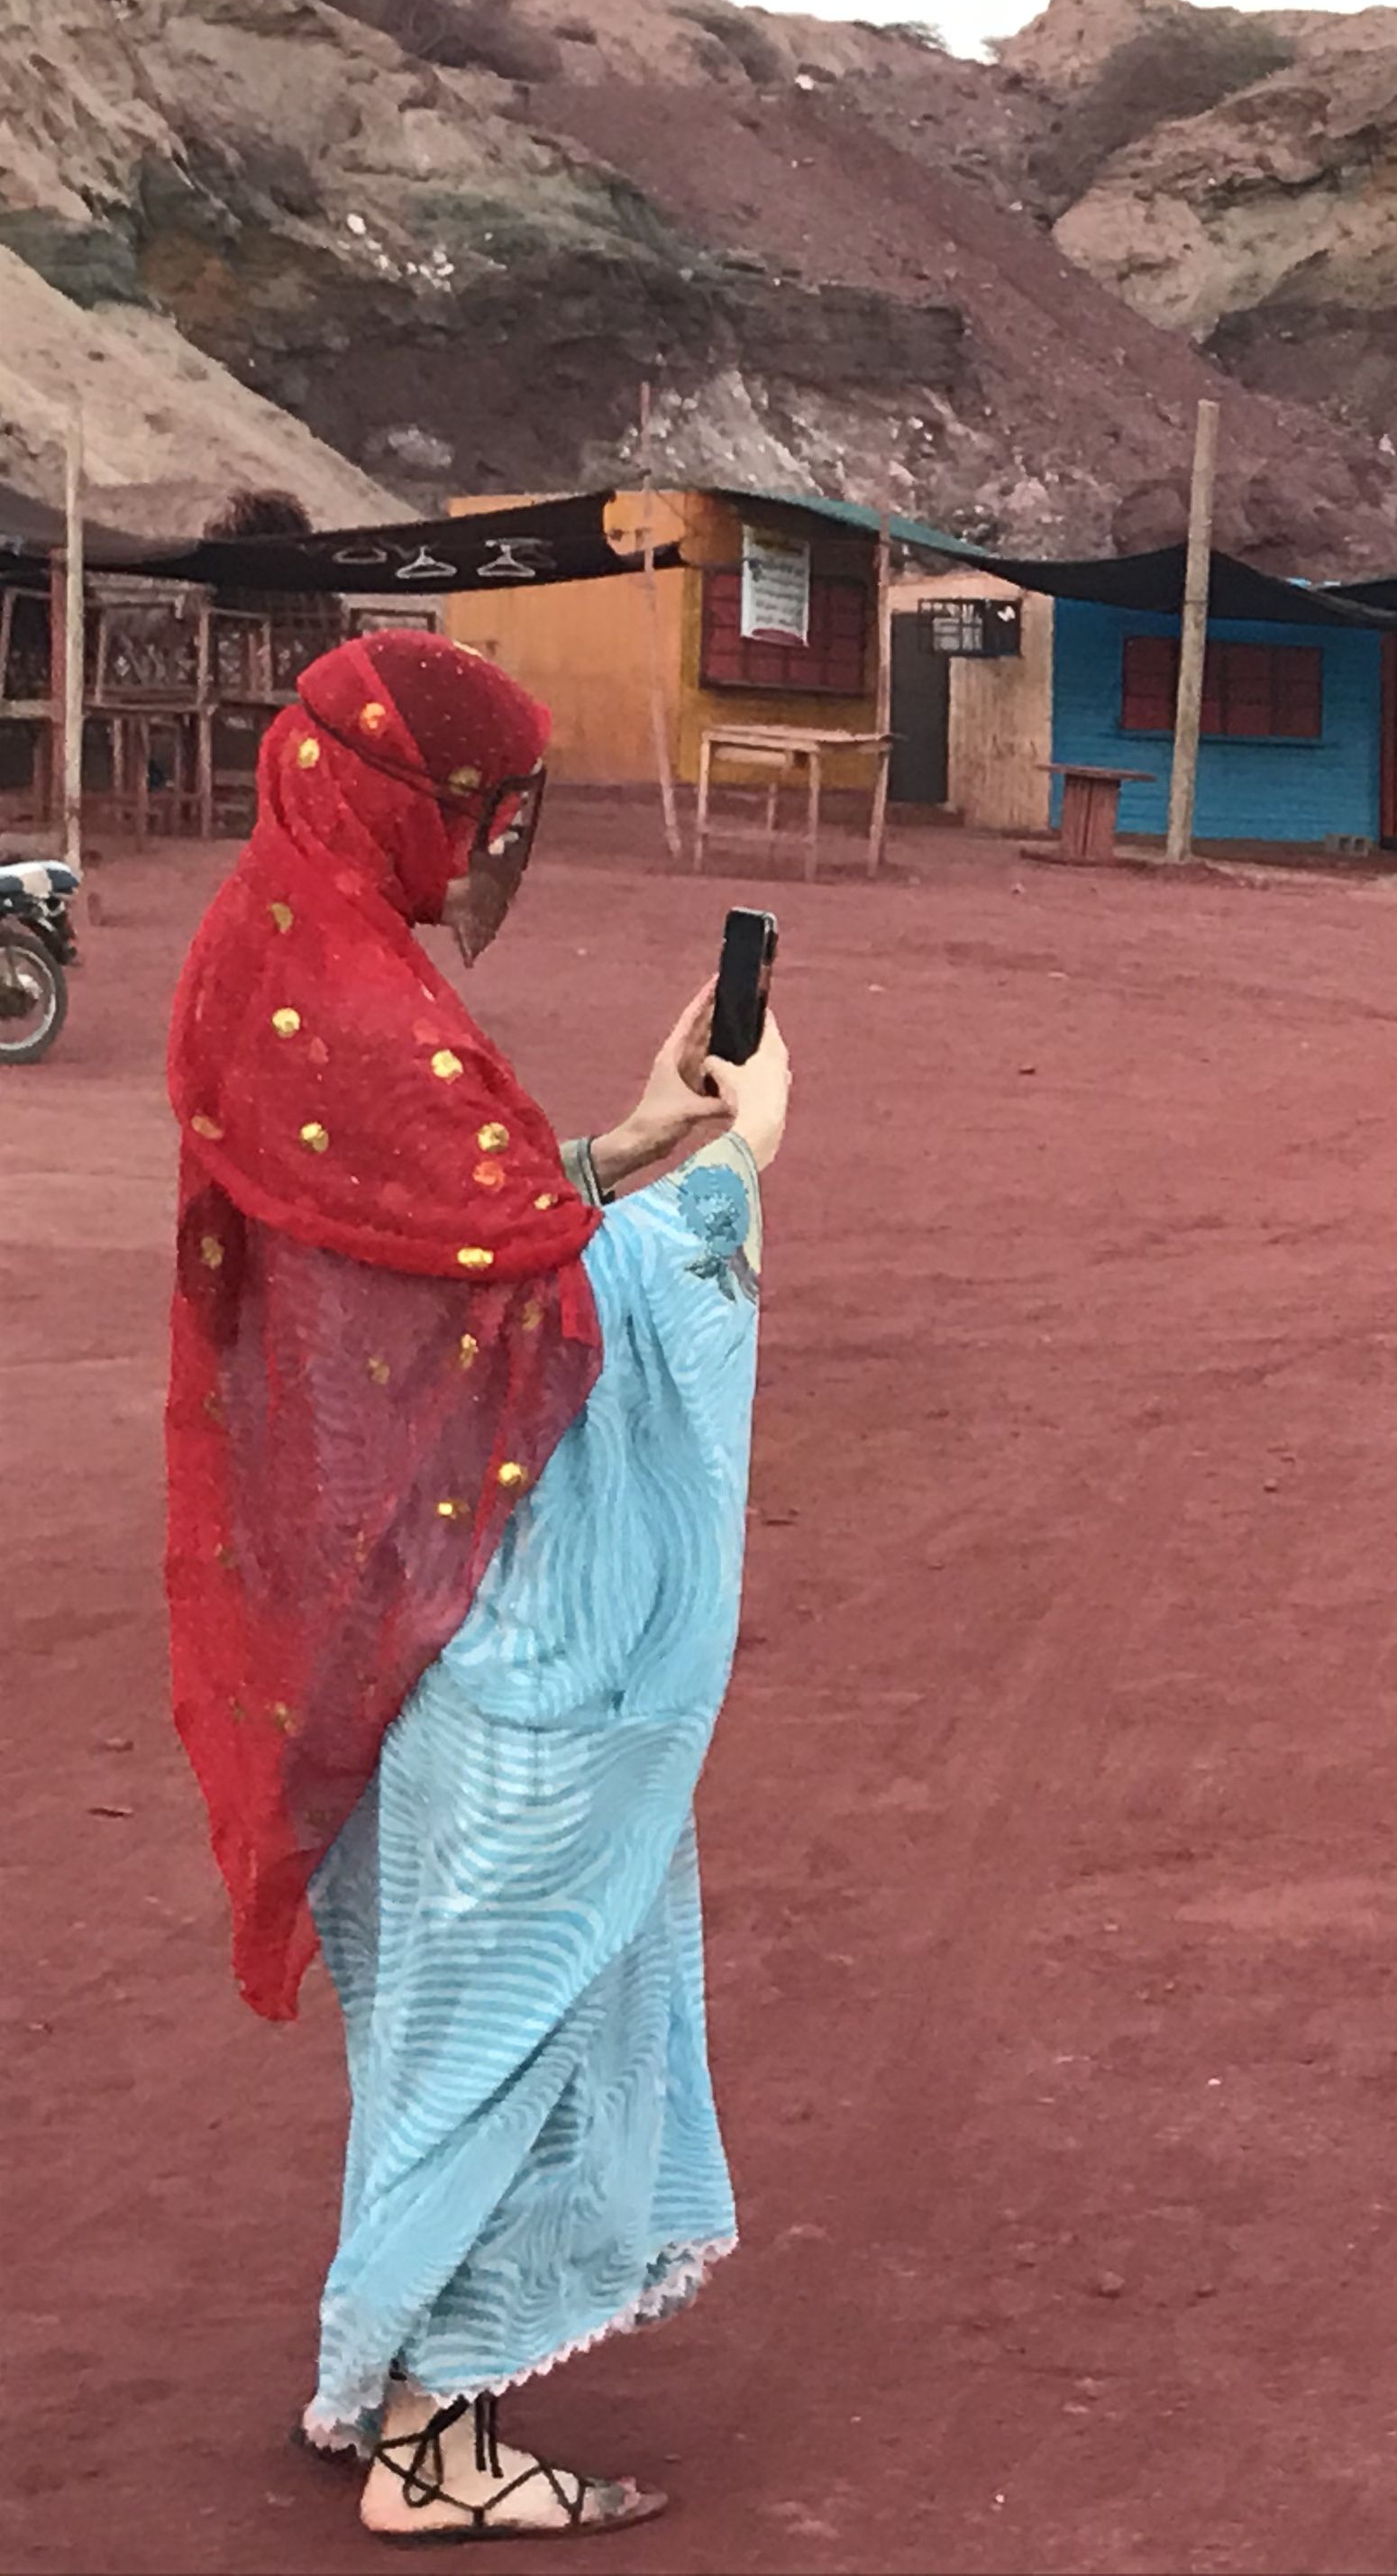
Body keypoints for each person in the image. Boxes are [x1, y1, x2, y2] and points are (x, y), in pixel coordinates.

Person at [164, 633, 794, 2536]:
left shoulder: (275, 958)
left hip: (391, 1600)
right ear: (417, 802)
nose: (490, 855)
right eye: (489, 818)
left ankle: (386, 2359)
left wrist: (626, 1142)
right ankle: (436, 2440)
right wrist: (733, 1185)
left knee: (442, 2019)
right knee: (524, 2005)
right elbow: (558, 1306)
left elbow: (448, 1236)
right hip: (506, 1618)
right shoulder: (369, 1015)